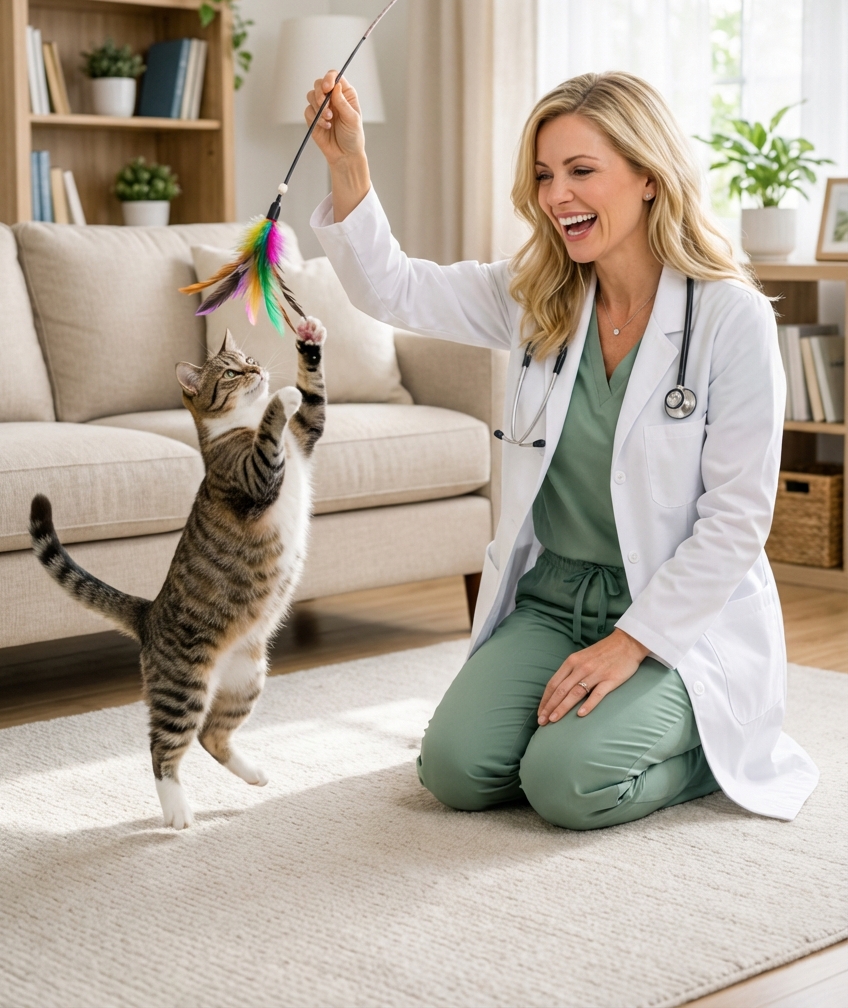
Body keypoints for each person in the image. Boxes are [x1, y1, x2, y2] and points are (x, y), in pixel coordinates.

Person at [306, 68, 818, 827]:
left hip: (674, 612)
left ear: (649, 177)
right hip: (553, 599)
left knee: (564, 785)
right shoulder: (537, 294)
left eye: (582, 171)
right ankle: (584, 733)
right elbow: (395, 291)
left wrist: (631, 642)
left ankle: (715, 751)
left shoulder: (728, 317)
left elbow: (737, 520)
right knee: (456, 770)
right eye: (545, 175)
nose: (557, 196)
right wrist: (348, 163)